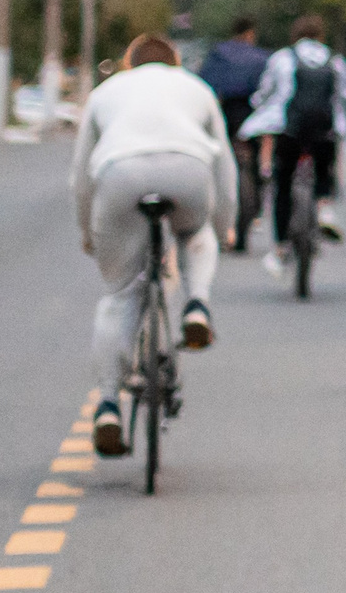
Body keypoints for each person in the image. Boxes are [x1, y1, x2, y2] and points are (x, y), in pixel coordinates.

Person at [71, 36, 236, 454]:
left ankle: (108, 403)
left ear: (129, 64)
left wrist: (90, 234)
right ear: (176, 63)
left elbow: (80, 177)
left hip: (119, 173)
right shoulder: (196, 89)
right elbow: (225, 166)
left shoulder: (106, 92)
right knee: (197, 235)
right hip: (188, 167)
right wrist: (225, 226)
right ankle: (197, 303)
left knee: (119, 293)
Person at [238, 15, 346, 276]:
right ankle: (324, 206)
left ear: (295, 35)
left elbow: (265, 93)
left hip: (290, 130)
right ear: (321, 36)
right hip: (324, 129)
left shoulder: (282, 58)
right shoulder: (334, 60)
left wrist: (259, 105)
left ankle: (281, 246)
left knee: (283, 183)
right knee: (325, 163)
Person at [198, 18, 269, 251]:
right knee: (257, 159)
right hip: (251, 115)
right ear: (251, 34)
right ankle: (257, 201)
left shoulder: (218, 54)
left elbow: (204, 84)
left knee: (217, 158)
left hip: (225, 113)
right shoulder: (261, 56)